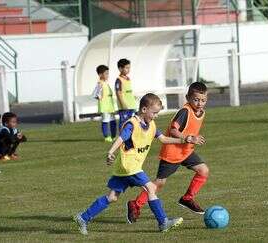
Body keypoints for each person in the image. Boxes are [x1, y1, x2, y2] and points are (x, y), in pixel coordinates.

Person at [73, 93, 198, 235]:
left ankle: (82, 218)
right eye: (154, 113)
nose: (156, 116)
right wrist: (111, 151)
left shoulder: (151, 125)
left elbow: (163, 139)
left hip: (124, 169)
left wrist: (185, 140)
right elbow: (121, 138)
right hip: (129, 166)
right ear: (144, 110)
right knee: (151, 188)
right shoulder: (132, 124)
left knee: (112, 197)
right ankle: (163, 222)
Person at [127, 82, 209, 223]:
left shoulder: (201, 112)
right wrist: (189, 138)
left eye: (203, 100)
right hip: (172, 152)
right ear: (188, 98)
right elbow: (173, 130)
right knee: (159, 183)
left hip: (186, 151)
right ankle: (135, 204)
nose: (200, 103)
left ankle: (187, 199)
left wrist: (190, 140)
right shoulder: (185, 111)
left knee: (203, 170)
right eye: (196, 99)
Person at [92, 65, 117, 142]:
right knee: (105, 120)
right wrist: (100, 98)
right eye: (106, 73)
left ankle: (113, 136)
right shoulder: (100, 83)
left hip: (110, 106)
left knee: (113, 121)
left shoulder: (106, 83)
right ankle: (106, 136)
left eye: (108, 73)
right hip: (104, 106)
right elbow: (95, 94)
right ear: (100, 75)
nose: (107, 75)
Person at [115, 58, 136, 130]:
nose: (128, 69)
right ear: (120, 69)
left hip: (131, 105)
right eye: (127, 68)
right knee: (123, 122)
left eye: (129, 68)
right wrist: (123, 104)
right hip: (124, 106)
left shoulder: (128, 79)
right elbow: (118, 93)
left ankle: (130, 137)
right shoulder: (119, 80)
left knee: (132, 122)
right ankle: (122, 139)